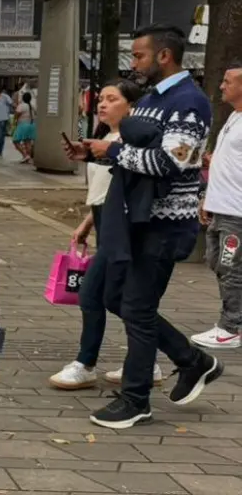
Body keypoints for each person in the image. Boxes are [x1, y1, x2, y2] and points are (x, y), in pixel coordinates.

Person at [67, 24, 222, 428]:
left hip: (165, 225)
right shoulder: (153, 98)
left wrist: (112, 149)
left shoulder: (190, 103)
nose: (133, 62)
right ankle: (193, 361)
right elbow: (138, 153)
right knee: (118, 298)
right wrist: (94, 154)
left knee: (136, 306)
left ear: (164, 56)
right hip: (136, 219)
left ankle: (136, 399)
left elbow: (172, 161)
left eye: (138, 55)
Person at [50, 79, 163, 389]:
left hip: (123, 227)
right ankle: (147, 360)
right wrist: (88, 223)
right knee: (118, 298)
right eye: (100, 98)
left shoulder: (130, 142)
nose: (102, 104)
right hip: (105, 223)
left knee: (98, 296)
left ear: (132, 106)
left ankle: (87, 363)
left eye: (112, 99)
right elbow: (104, 192)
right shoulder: (104, 139)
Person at [195, 58, 242, 350]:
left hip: (237, 212)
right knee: (218, 263)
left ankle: (230, 326)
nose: (222, 85)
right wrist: (207, 198)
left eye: (228, 81)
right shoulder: (234, 117)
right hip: (220, 206)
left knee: (230, 267)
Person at [13, 91, 37, 163]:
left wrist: (15, 120)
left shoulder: (22, 105)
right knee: (28, 142)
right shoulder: (32, 106)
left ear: (23, 98)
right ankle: (28, 157)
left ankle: (25, 155)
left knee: (15, 141)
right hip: (31, 125)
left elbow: (17, 114)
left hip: (23, 125)